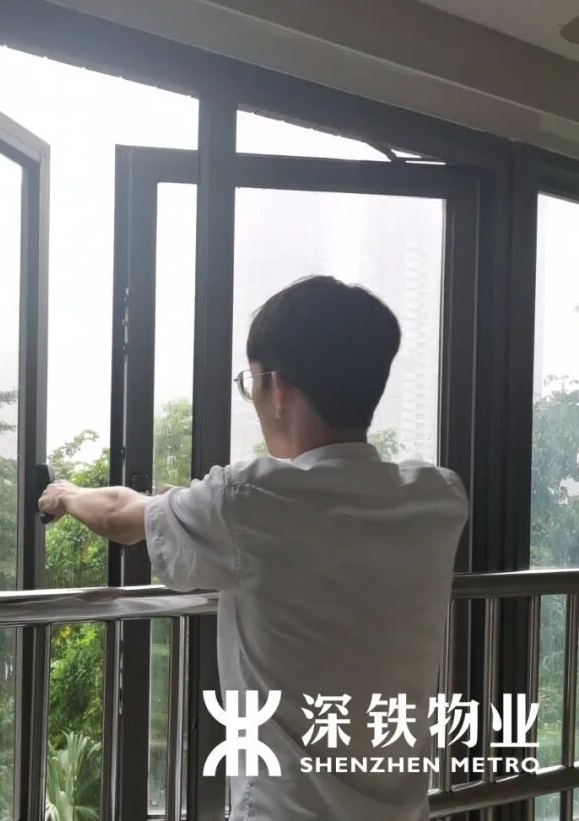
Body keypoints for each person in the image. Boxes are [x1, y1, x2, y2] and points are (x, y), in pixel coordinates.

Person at [39, 275, 469, 820]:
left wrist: (64, 494)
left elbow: (119, 519)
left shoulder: (247, 500)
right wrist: (186, 500)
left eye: (251, 383)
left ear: (279, 388)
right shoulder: (437, 497)